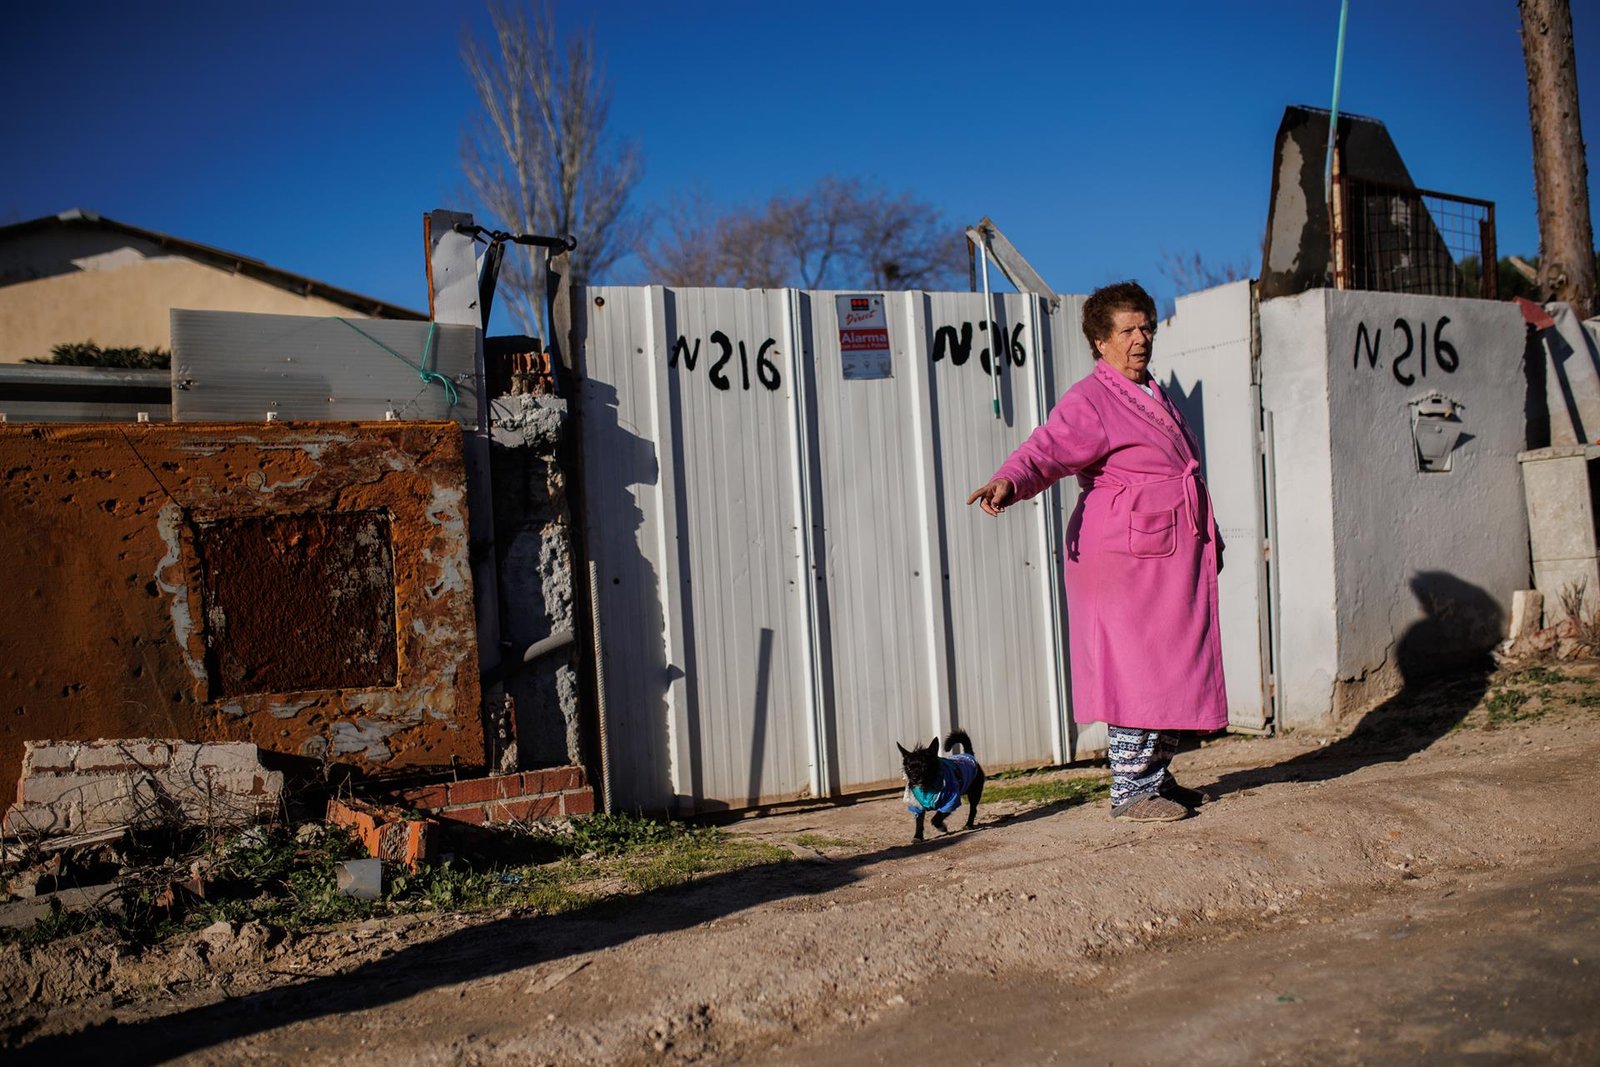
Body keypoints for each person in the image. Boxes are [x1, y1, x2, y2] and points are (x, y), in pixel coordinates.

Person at [966, 281, 1225, 822]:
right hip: (1123, 554)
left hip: (1170, 546)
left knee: (1173, 664)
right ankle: (1129, 792)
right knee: (1136, 666)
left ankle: (1153, 775)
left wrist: (1210, 537)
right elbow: (1047, 448)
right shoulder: (1092, 398)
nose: (1141, 338)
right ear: (1100, 342)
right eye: (1127, 330)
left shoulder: (1153, 392)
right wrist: (1009, 481)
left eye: (1146, 326)